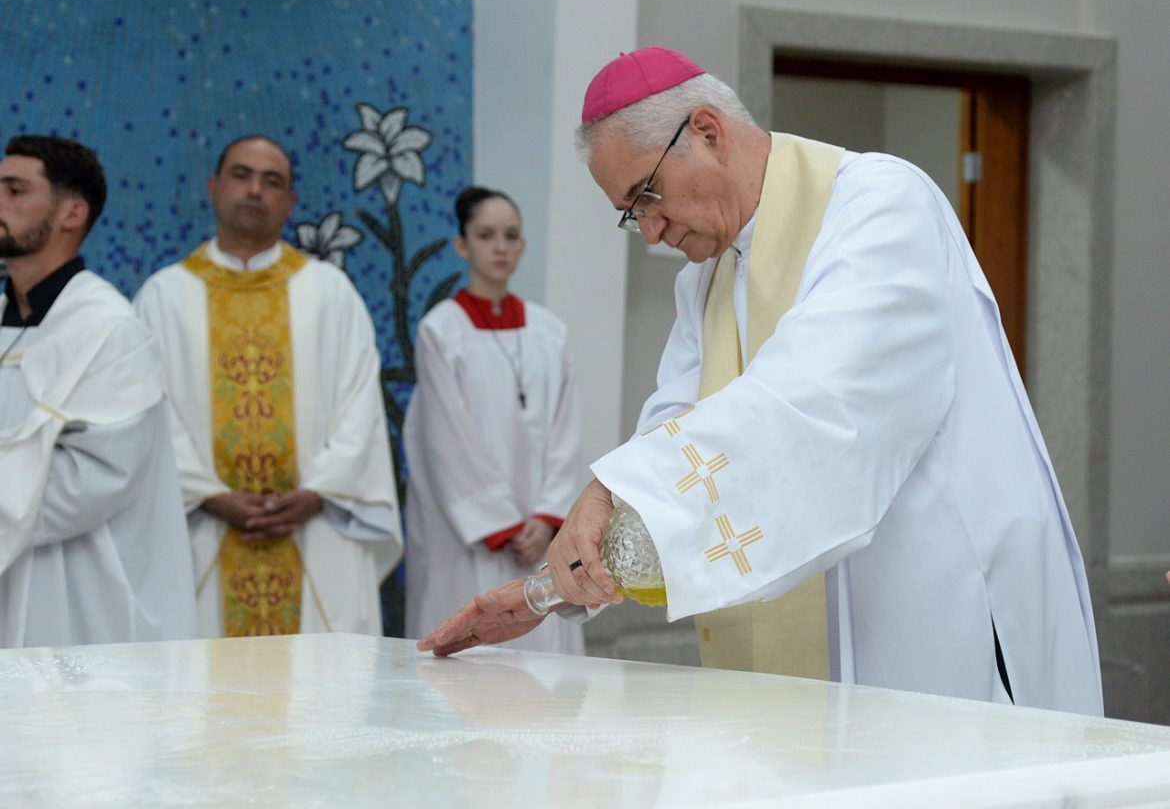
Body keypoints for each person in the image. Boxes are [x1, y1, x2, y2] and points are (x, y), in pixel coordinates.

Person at [418, 47, 1104, 716]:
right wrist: (555, 584)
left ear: (708, 133)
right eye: (631, 214)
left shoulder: (879, 206)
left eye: (645, 196)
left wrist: (593, 513)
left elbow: (808, 411)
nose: (651, 230)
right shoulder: (705, 280)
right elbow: (675, 429)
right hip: (837, 660)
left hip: (933, 624)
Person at [135, 134, 401, 638]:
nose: (255, 190)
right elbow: (149, 413)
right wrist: (209, 494)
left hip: (314, 532)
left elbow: (361, 407)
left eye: (271, 181)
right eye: (241, 175)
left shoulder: (330, 293)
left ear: (290, 201)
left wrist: (319, 491)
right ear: (214, 187)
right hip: (203, 538)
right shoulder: (163, 296)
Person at [0, 135, 196, 648]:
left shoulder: (110, 331)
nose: (0, 201)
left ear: (72, 213)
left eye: (15, 190)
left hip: (70, 599)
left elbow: (91, 481)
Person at [404, 187, 584, 654]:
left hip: (539, 534)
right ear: (463, 245)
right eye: (486, 235)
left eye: (511, 236)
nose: (500, 247)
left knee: (544, 665)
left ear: (523, 246)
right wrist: (499, 524)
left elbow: (566, 432)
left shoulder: (549, 331)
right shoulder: (441, 331)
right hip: (474, 538)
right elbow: (445, 440)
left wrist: (547, 518)